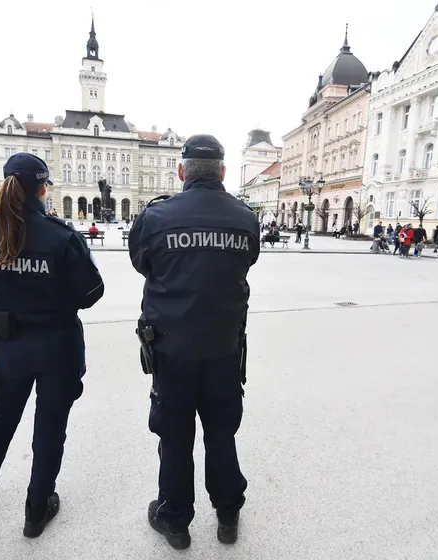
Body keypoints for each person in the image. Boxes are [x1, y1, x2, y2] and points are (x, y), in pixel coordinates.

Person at [0, 153, 104, 539]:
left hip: (8, 344)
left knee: (1, 419)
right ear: (42, 188)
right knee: (50, 426)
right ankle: (36, 509)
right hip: (57, 344)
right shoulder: (60, 236)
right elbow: (93, 292)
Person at [129, 134, 260, 550]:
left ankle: (175, 521)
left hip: (172, 351)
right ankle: (227, 515)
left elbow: (140, 262)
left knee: (175, 435)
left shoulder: (156, 217)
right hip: (224, 349)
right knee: (221, 433)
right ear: (223, 172)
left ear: (181, 172)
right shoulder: (245, 218)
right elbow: (248, 259)